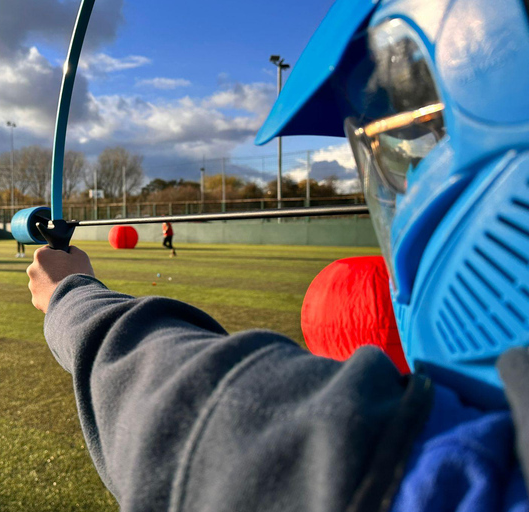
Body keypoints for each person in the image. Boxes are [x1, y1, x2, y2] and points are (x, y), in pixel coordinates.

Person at [26, 0, 529, 510]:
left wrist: (70, 295)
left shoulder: (465, 472)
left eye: (437, 135)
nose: (416, 179)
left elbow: (200, 423)